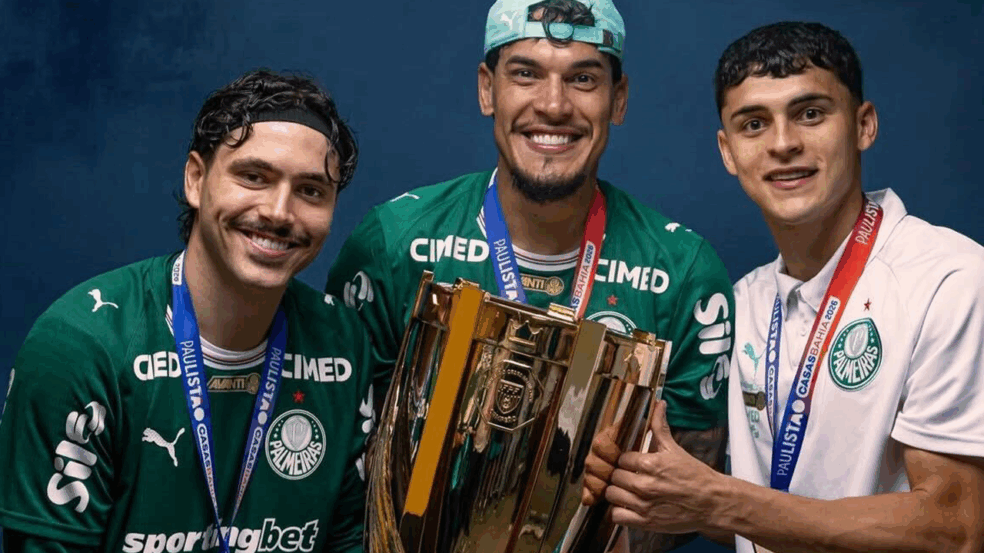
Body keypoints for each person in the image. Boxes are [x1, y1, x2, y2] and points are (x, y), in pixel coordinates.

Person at [325, 1, 734, 550]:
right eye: (525, 73)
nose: (553, 104)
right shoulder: (392, 242)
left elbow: (688, 486)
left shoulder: (684, 272)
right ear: (486, 89)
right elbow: (342, 453)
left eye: (584, 78)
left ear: (619, 99)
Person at [584, 21, 984, 553]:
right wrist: (653, 486)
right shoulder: (746, 299)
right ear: (728, 152)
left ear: (864, 126)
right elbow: (769, 510)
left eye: (810, 114)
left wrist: (717, 500)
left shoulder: (949, 279)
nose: (782, 143)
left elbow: (954, 527)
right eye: (753, 124)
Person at [0, 70, 374, 553]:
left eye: (311, 191)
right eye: (254, 176)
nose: (280, 212)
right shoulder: (84, 346)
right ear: (196, 179)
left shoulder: (342, 342)